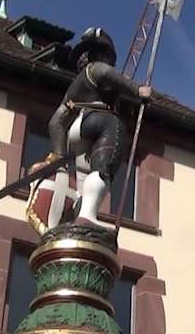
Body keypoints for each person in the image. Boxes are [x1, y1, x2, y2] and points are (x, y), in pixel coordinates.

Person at [25, 28, 152, 234]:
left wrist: (59, 154)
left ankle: (80, 218)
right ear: (103, 54)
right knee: (102, 168)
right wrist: (138, 90)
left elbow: (55, 122)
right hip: (100, 121)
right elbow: (106, 73)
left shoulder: (73, 89)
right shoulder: (96, 67)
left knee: (83, 177)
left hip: (76, 130)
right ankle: (87, 217)